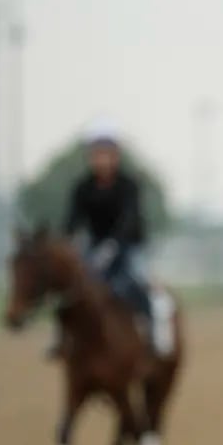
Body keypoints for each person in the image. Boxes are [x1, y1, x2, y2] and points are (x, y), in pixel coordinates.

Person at [45, 119, 154, 358]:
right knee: (70, 289)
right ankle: (60, 338)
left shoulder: (129, 186)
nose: (102, 160)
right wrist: (64, 243)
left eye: (106, 154)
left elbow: (130, 220)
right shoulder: (82, 188)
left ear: (115, 156)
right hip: (94, 247)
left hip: (129, 246)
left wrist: (113, 246)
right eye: (97, 154)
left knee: (139, 284)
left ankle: (151, 334)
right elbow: (72, 221)